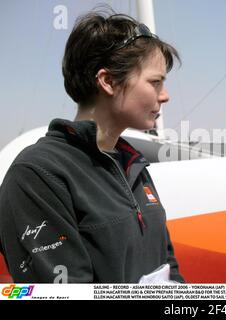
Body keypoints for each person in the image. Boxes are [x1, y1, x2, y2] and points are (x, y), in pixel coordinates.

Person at [0, 10, 184, 283]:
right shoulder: (37, 176)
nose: (165, 96)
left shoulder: (132, 164)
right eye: (155, 82)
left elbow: (168, 269)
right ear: (108, 81)